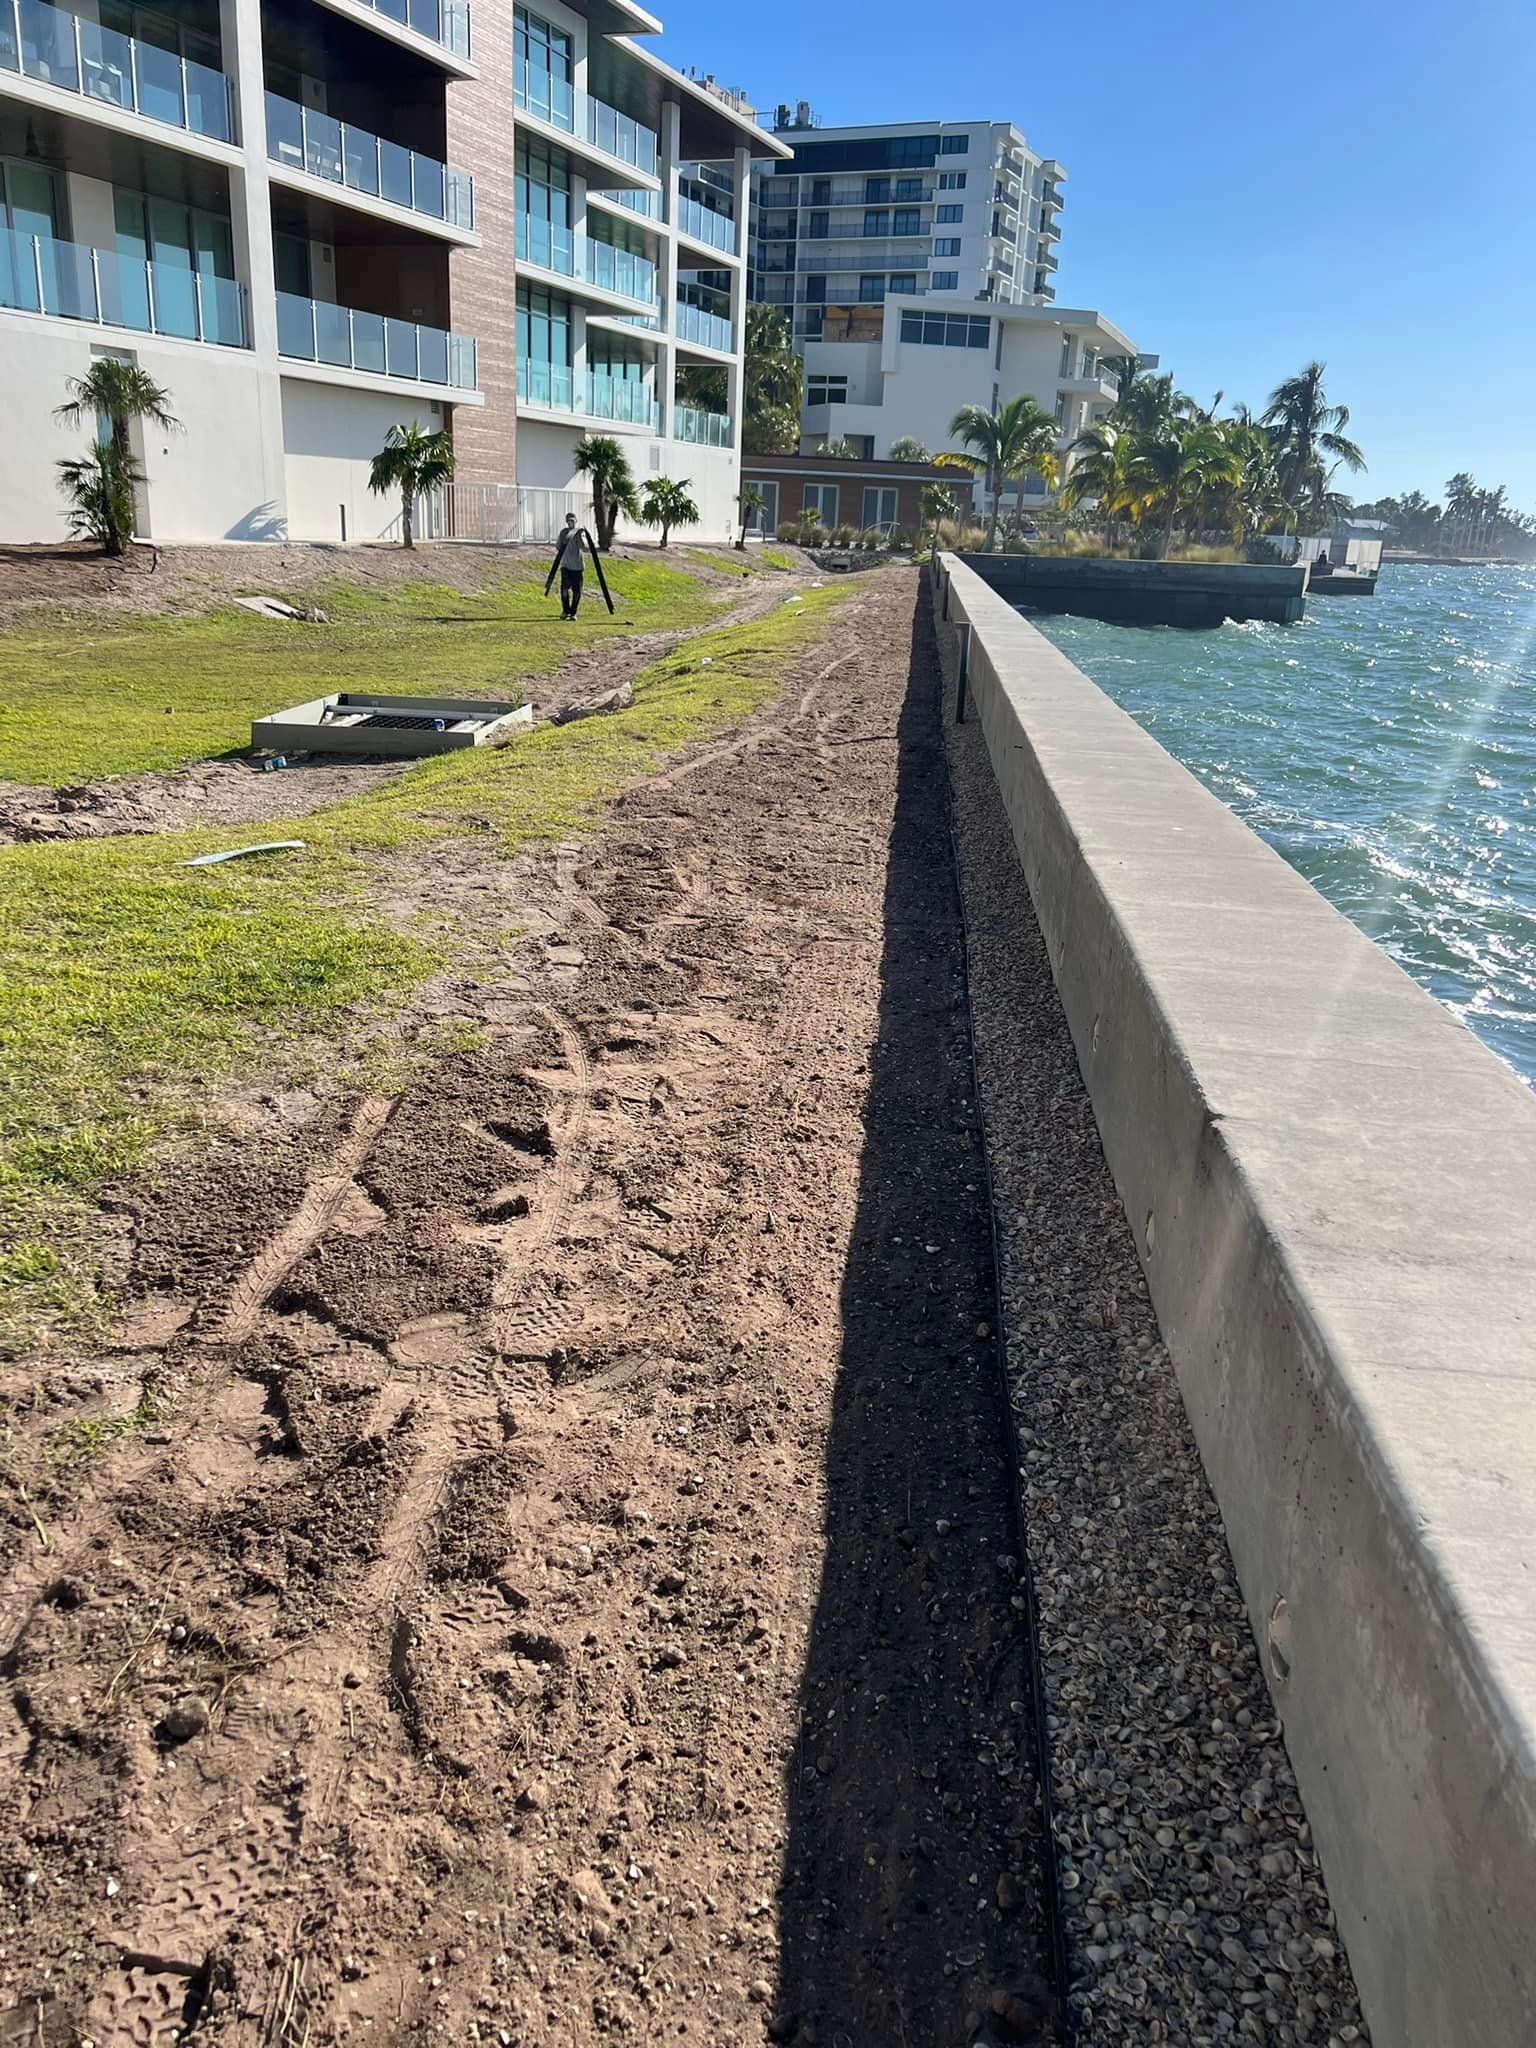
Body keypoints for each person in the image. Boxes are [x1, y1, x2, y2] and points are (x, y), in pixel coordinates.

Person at [552, 513, 594, 620]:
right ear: (567, 522)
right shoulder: (563, 533)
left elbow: (584, 547)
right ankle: (565, 611)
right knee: (564, 590)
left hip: (577, 567)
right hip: (566, 566)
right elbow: (558, 547)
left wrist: (580, 536)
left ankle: (573, 613)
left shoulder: (579, 533)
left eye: (573, 521)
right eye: (569, 521)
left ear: (576, 521)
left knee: (577, 592)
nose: (571, 523)